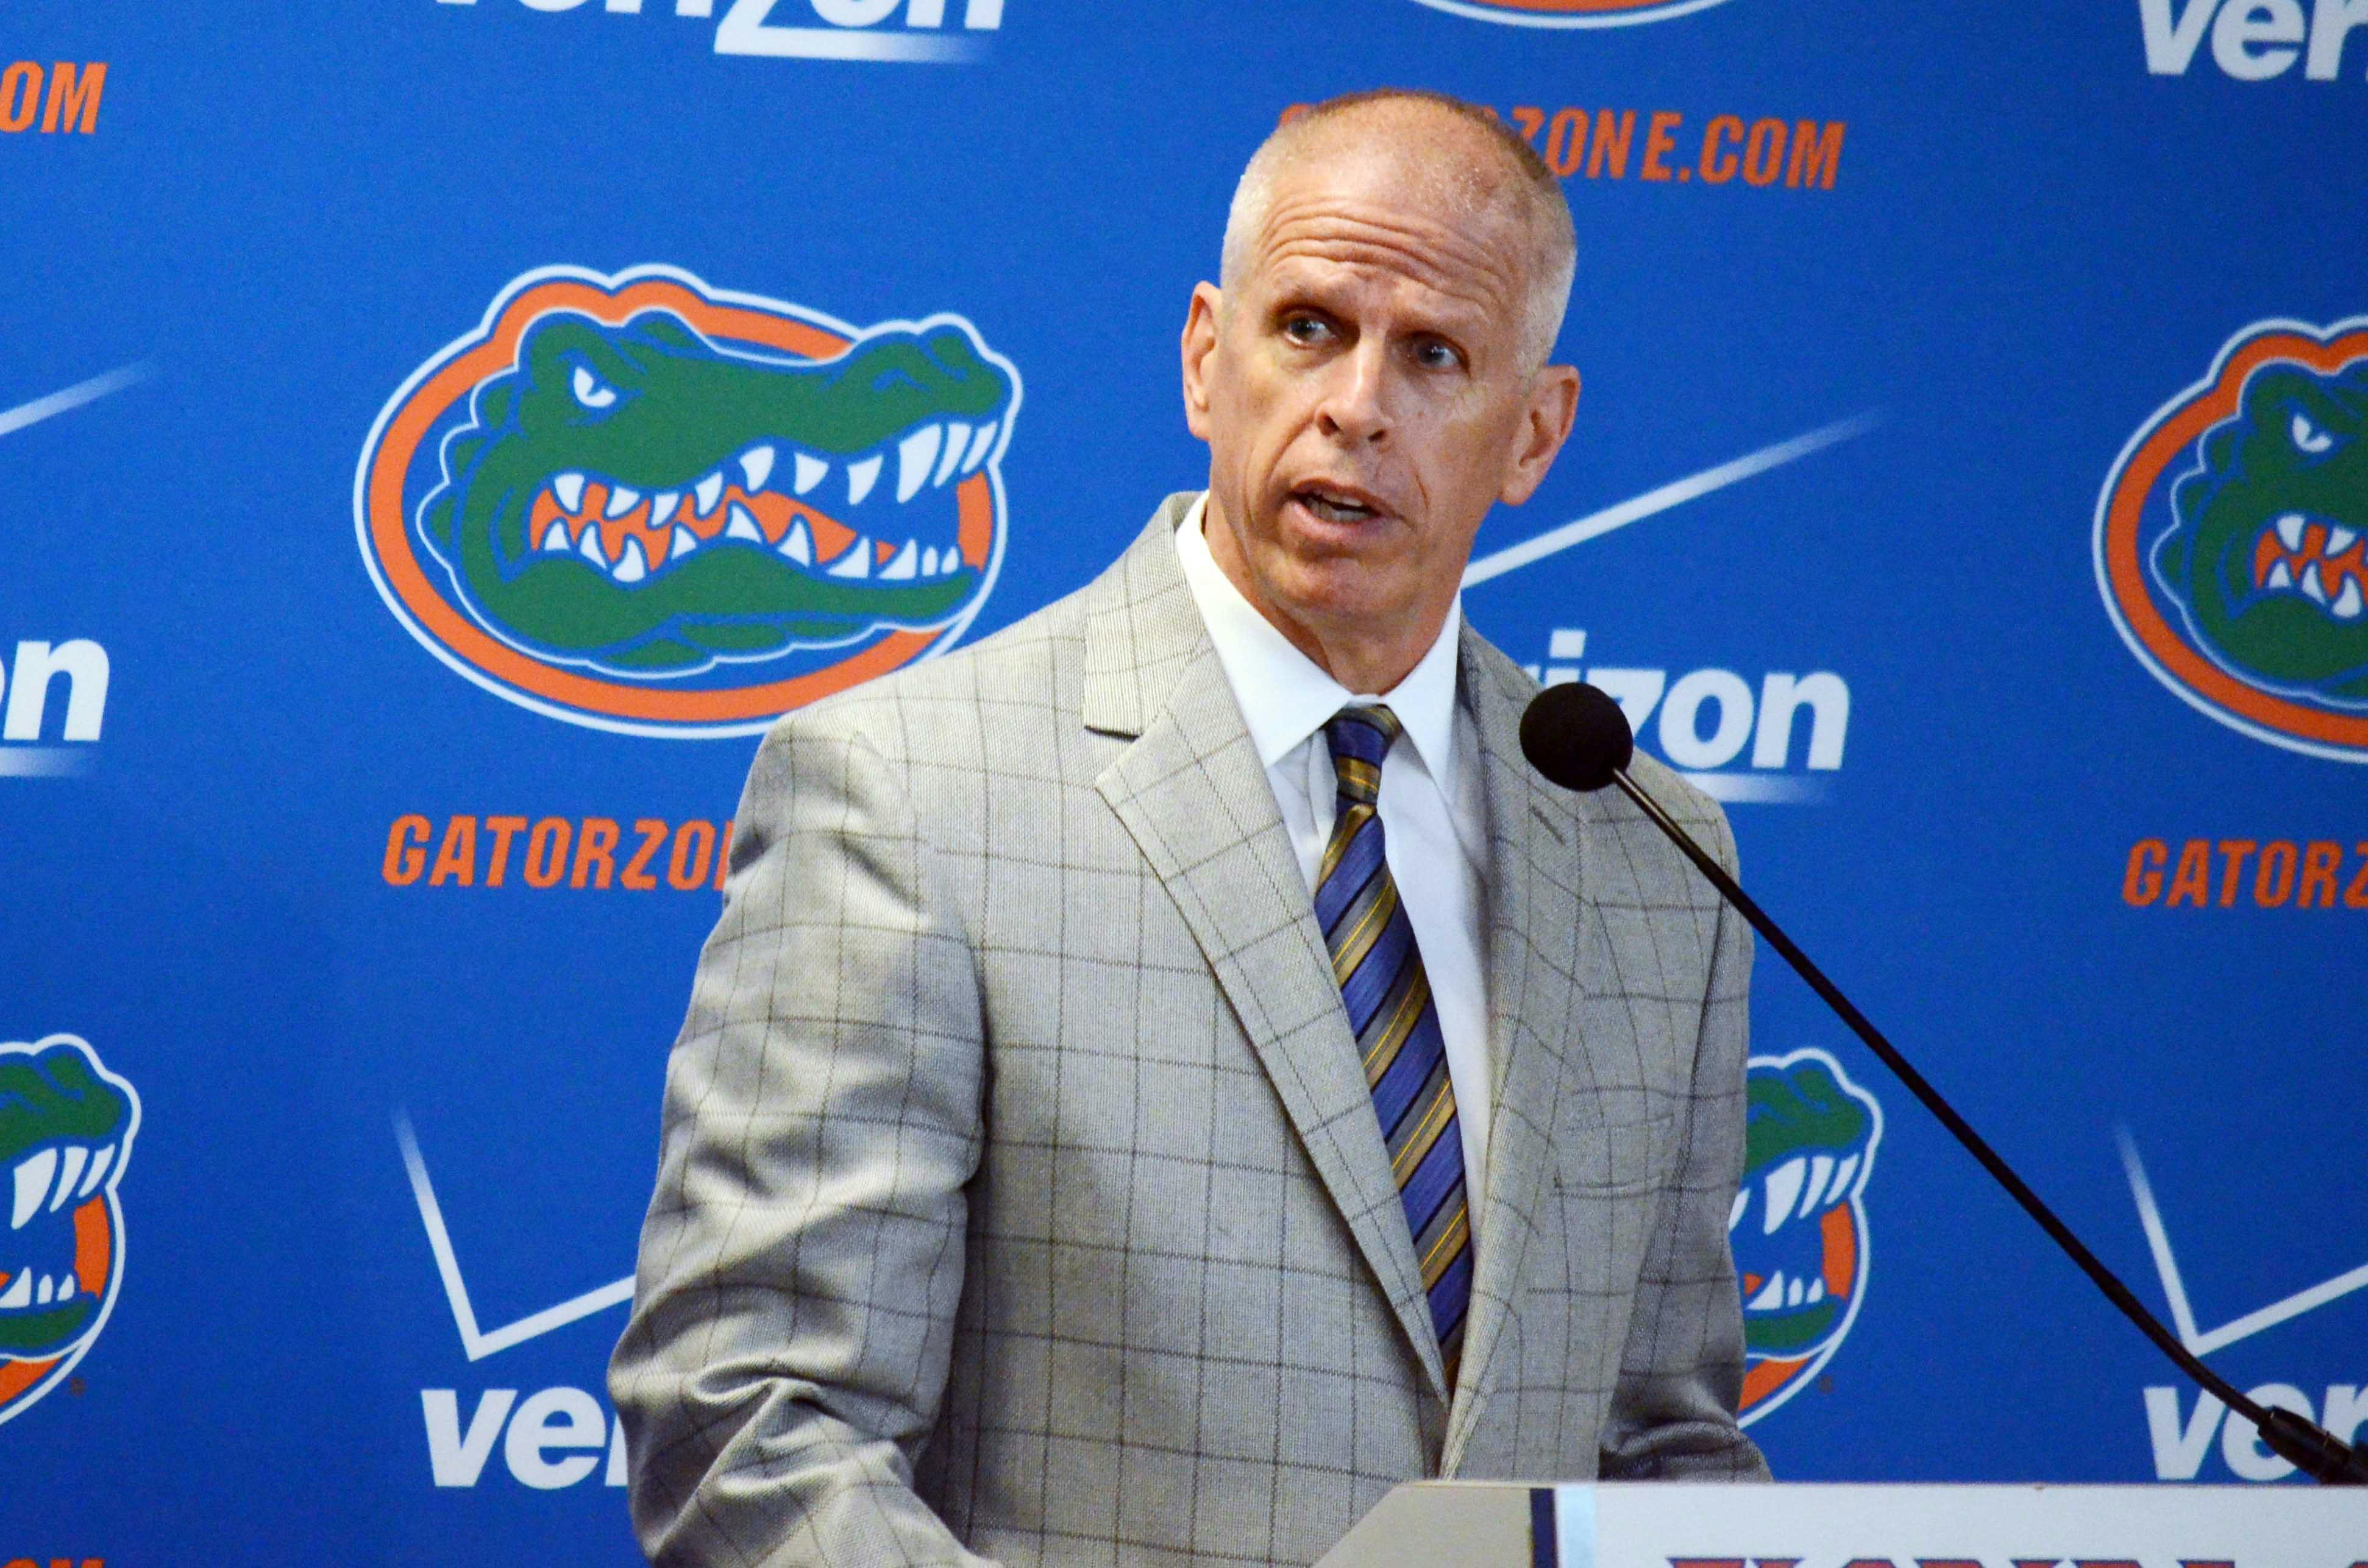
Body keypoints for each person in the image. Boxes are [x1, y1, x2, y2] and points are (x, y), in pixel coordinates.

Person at [610, 88, 1768, 1568]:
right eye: (1306, 330)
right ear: (1204, 360)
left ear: (1531, 432)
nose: (1355, 402)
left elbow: (1663, 1450)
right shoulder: (908, 791)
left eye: (1431, 354)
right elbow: (752, 1420)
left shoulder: (1649, 855)